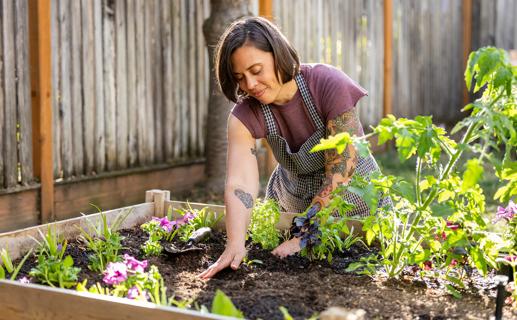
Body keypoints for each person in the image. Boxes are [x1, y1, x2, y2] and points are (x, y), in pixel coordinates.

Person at [199, 17, 386, 280]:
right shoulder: (244, 116)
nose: (250, 85)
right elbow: (240, 184)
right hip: (292, 198)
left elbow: (341, 171)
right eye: (240, 77)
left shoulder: (327, 83)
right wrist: (235, 244)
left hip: (355, 198)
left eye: (256, 70)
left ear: (278, 55)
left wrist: (304, 236)